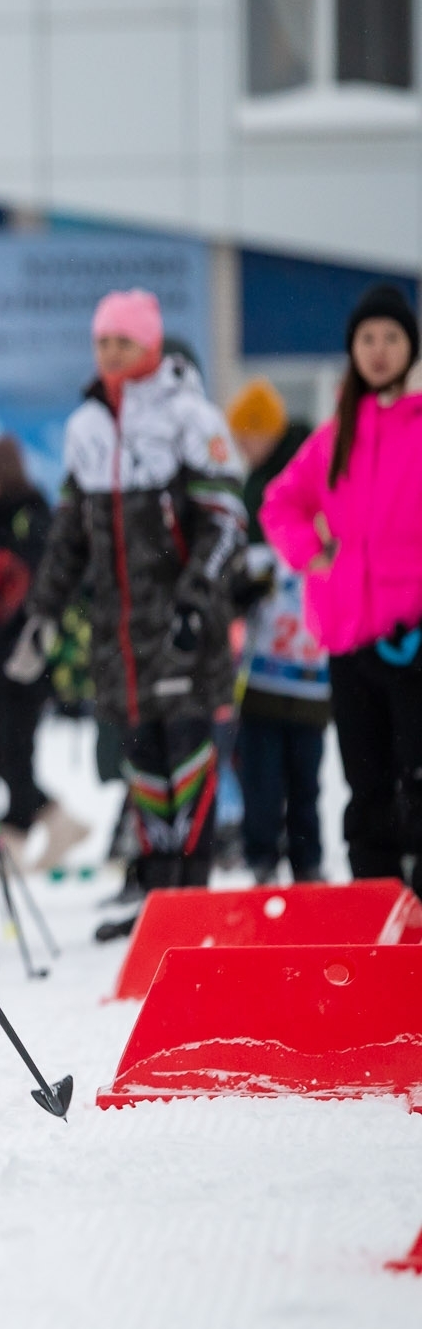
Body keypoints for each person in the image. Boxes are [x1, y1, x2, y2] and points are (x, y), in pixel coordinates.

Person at [8, 290, 243, 931]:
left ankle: (190, 897)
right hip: (120, 638)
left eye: (125, 342)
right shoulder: (86, 425)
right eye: (103, 343)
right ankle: (157, 895)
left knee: (187, 758)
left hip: (181, 631)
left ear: (152, 346)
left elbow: (227, 524)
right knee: (140, 764)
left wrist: (196, 602)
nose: (112, 354)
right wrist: (44, 612)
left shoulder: (190, 417)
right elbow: (69, 537)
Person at [261, 283, 422, 885]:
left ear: (411, 347)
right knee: (366, 786)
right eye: (367, 339)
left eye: (392, 338)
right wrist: (312, 553)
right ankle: (376, 908)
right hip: (351, 638)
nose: (379, 351)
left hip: (414, 638)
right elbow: (280, 504)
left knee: (419, 779)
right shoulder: (335, 437)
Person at [0, 436, 87, 866]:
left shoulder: (31, 520)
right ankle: (55, 819)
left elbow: (36, 587)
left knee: (14, 747)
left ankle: (14, 835)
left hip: (27, 657)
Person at [228, 379, 329, 883]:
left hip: (303, 658)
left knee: (292, 774)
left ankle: (292, 860)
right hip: (282, 661)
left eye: (248, 435)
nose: (244, 447)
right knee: (278, 774)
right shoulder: (256, 483)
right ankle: (287, 859)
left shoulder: (296, 473)